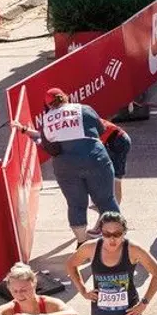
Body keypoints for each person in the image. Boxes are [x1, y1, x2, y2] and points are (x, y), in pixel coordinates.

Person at [10, 89, 120, 246]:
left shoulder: (47, 119)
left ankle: (82, 243)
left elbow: (48, 146)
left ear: (48, 105)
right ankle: (117, 240)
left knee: (76, 204)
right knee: (106, 200)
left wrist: (23, 130)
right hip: (95, 158)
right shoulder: (84, 109)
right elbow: (101, 130)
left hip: (65, 166)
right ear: (66, 97)